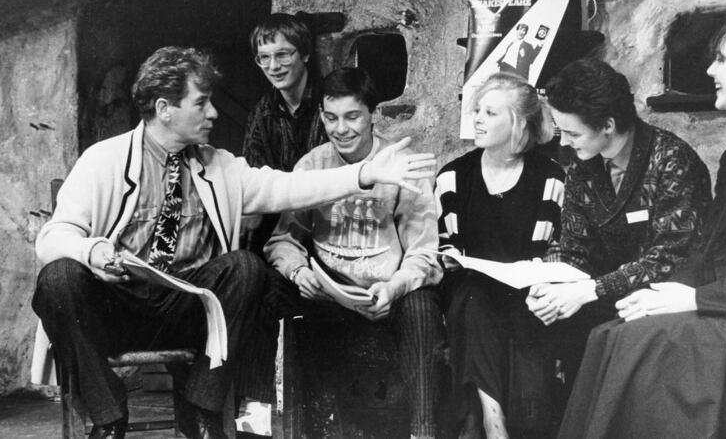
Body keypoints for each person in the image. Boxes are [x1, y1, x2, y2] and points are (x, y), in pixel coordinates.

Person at [31, 47, 435, 439]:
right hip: (119, 307)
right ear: (164, 109)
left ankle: (202, 409)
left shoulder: (217, 164)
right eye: (201, 102)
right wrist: (92, 251)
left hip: (188, 309)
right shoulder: (102, 161)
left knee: (245, 266)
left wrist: (362, 175)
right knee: (58, 278)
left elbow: (288, 187)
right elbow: (53, 237)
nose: (213, 113)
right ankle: (109, 416)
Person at [556, 0, 726, 438]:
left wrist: (691, 300)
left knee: (633, 343)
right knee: (612, 332)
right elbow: (706, 249)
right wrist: (665, 293)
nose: (709, 71)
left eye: (721, 59)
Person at [265, 67, 445, 439]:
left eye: (352, 117)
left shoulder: (402, 167)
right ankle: (283, 423)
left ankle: (423, 432)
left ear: (372, 116)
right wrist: (300, 272)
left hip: (386, 293)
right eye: (330, 118)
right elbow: (281, 240)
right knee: (266, 283)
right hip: (329, 292)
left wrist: (394, 288)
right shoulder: (312, 165)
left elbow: (424, 254)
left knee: (423, 305)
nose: (341, 129)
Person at [525, 58, 712, 390]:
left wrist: (589, 290)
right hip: (603, 296)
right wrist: (553, 287)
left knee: (598, 338)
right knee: (524, 320)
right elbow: (575, 249)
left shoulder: (673, 160)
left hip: (661, 301)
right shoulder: (582, 165)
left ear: (607, 125)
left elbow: (669, 259)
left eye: (571, 132)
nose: (564, 143)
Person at [436, 72, 565, 438]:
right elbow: (443, 244)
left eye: (490, 113)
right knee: (474, 298)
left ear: (519, 123)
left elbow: (560, 247)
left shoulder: (550, 179)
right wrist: (447, 259)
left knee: (519, 311)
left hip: (528, 291)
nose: (476, 119)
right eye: (476, 111)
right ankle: (495, 423)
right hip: (467, 292)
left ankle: (509, 421)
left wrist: (543, 273)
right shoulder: (453, 178)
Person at [241, 13, 328, 253]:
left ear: (305, 54)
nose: (273, 67)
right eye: (264, 58)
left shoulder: (330, 103)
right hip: (277, 229)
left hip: (326, 220)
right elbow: (254, 177)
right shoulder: (262, 112)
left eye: (282, 54)